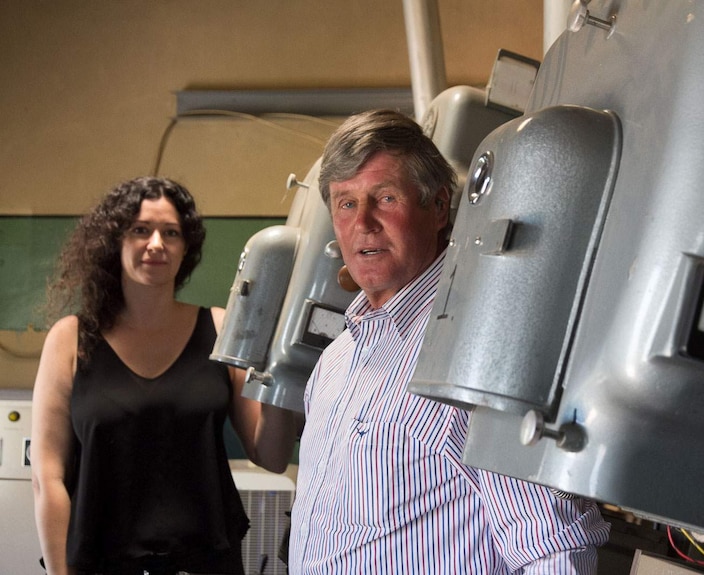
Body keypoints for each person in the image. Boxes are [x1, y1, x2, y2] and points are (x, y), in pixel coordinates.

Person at [288, 109, 610, 573]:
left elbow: (552, 547)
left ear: (439, 207)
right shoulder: (337, 360)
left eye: (385, 197)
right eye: (345, 203)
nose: (364, 222)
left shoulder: (479, 349)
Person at [30, 177, 297, 575]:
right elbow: (46, 478)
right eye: (141, 230)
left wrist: (282, 366)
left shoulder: (223, 329)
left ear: (185, 247)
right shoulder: (70, 340)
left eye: (170, 232)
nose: (156, 243)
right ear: (114, 240)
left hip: (205, 563)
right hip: (100, 564)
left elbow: (272, 457)